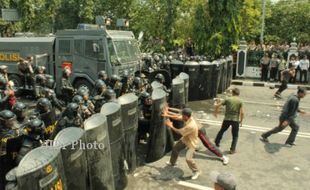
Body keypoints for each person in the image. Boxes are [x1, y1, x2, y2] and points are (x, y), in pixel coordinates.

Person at [164, 106, 229, 165]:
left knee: (208, 145)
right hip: (194, 130)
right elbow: (177, 115)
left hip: (200, 130)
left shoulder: (189, 120)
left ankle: (223, 157)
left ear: (186, 116)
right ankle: (173, 161)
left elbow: (177, 120)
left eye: (182, 115)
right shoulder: (188, 114)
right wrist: (168, 111)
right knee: (182, 144)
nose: (181, 115)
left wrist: (170, 124)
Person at [164, 108, 201, 180]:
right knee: (175, 148)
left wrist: (170, 125)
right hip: (185, 139)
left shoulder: (191, 125)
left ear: (186, 116)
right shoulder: (188, 118)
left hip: (192, 143)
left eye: (183, 116)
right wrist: (167, 114)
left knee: (188, 159)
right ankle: (172, 162)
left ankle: (196, 171)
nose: (182, 117)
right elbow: (177, 117)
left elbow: (179, 132)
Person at [214, 88, 244, 154]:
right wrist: (241, 121)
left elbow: (218, 105)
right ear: (238, 94)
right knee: (235, 135)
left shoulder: (228, 99)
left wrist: (216, 112)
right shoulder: (240, 101)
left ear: (232, 93)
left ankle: (216, 142)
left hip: (227, 119)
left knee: (222, 130)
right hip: (235, 120)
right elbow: (242, 113)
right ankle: (232, 150)